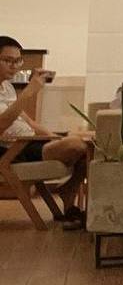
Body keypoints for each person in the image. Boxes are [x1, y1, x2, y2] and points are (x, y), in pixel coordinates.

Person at [0, 36, 90, 230]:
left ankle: (68, 196)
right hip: (14, 150)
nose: (14, 66)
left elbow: (29, 121)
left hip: (31, 141)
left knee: (87, 147)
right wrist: (29, 92)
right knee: (77, 146)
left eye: (18, 61)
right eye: (8, 60)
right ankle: (68, 195)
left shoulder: (7, 87)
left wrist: (55, 138)